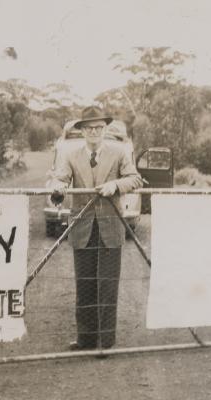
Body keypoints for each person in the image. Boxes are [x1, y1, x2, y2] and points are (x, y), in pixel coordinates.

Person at [49, 106, 143, 350]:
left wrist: (115, 185)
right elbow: (60, 178)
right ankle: (86, 338)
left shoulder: (119, 152)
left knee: (107, 285)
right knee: (85, 284)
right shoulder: (71, 155)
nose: (94, 132)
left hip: (111, 227)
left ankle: (105, 341)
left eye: (99, 127)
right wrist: (58, 189)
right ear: (81, 130)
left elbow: (135, 179)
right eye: (89, 127)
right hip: (83, 226)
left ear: (105, 129)